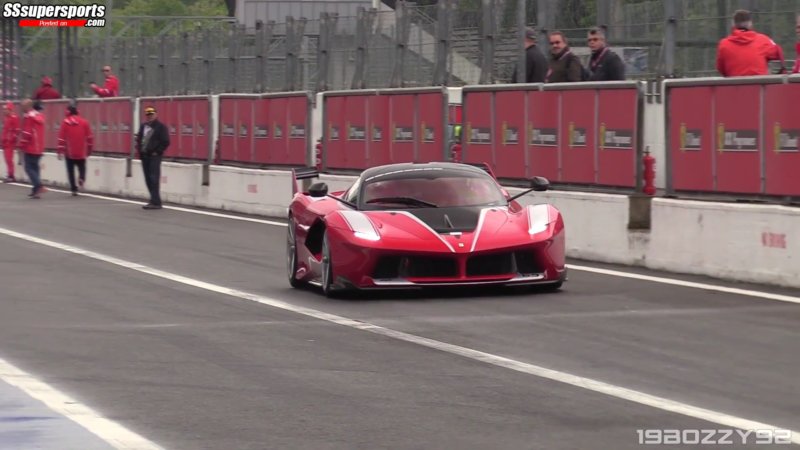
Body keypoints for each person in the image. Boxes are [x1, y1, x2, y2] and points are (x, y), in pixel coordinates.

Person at [716, 9, 785, 77]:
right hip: (759, 86)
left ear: (733, 24)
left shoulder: (724, 44)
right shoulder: (763, 40)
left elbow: (721, 68)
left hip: (735, 86)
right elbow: (778, 54)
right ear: (750, 24)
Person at [135, 106, 170, 209]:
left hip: (154, 156)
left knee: (154, 178)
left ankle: (156, 202)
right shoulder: (143, 126)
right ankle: (153, 199)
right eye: (148, 114)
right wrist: (139, 150)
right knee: (148, 179)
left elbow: (166, 141)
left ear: (156, 114)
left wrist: (157, 151)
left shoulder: (161, 127)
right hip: (145, 155)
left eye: (151, 114)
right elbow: (139, 139)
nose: (149, 116)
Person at [56, 105, 94, 196]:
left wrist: (60, 151)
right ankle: (81, 178)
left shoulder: (65, 123)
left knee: (70, 170)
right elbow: (90, 137)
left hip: (69, 152)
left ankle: (74, 189)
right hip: (81, 150)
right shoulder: (85, 122)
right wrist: (89, 149)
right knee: (82, 167)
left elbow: (61, 138)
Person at [17, 99, 46, 198]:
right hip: (39, 147)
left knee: (29, 168)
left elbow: (27, 133)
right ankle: (36, 190)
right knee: (35, 168)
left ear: (28, 106)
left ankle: (39, 185)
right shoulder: (38, 115)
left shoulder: (28, 117)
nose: (21, 108)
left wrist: (21, 145)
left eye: (22, 106)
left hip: (31, 146)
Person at [2, 102, 19, 183]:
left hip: (9, 142)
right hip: (5, 142)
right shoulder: (7, 118)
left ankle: (11, 175)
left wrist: (11, 139)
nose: (4, 111)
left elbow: (17, 130)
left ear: (10, 109)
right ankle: (10, 175)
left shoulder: (14, 118)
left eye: (6, 109)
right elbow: (5, 131)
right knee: (7, 159)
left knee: (9, 159)